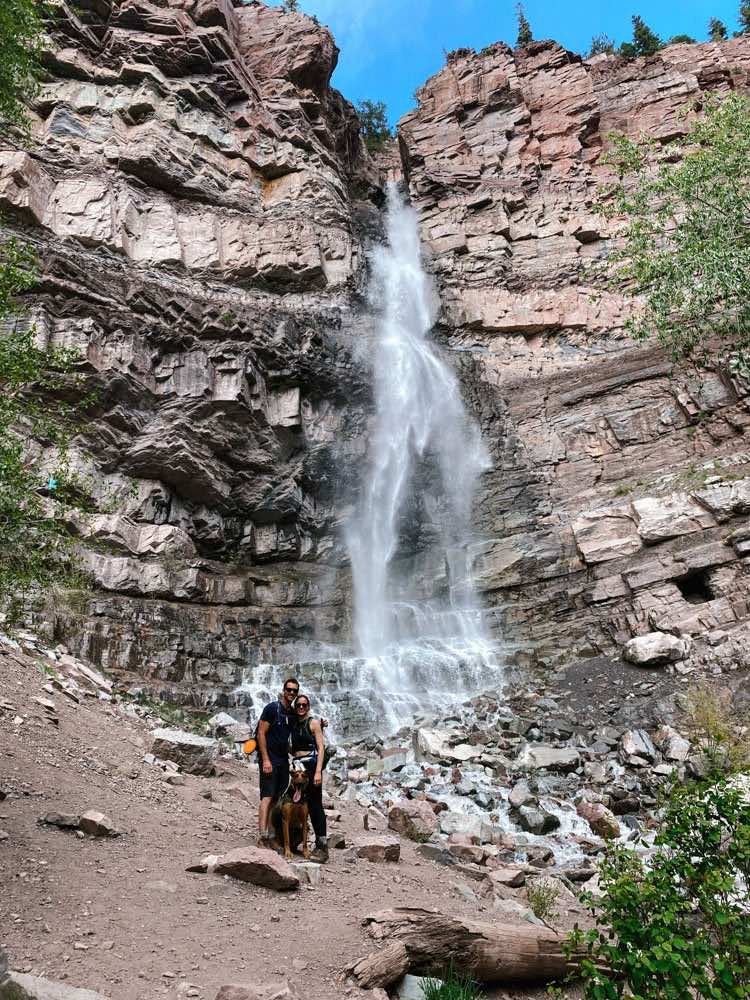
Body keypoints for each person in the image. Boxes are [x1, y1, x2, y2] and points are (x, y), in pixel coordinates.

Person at [256, 677, 299, 847]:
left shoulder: (291, 713)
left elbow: (290, 740)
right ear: (283, 690)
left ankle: (272, 835)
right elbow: (261, 733)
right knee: (267, 796)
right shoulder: (272, 708)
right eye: (289, 689)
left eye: (294, 691)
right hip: (270, 758)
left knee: (277, 797)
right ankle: (262, 836)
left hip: (283, 760)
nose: (291, 693)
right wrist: (266, 759)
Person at [290, 693, 328, 862]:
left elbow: (321, 748)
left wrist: (318, 771)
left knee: (315, 804)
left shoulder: (313, 723)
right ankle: (295, 840)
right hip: (297, 766)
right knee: (296, 803)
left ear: (308, 707)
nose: (301, 708)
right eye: (298, 705)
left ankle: (322, 846)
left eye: (304, 705)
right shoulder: (293, 724)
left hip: (311, 767)